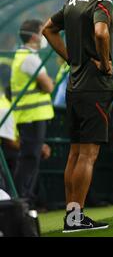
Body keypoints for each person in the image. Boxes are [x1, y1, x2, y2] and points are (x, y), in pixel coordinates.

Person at [42, 0, 113, 232]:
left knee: (75, 154)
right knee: (88, 155)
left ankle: (72, 215)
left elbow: (48, 28)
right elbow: (101, 32)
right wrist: (106, 62)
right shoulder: (102, 1)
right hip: (94, 88)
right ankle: (76, 218)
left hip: (74, 86)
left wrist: (71, 58)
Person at [10, 19, 54, 205]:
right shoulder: (30, 58)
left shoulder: (23, 56)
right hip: (32, 117)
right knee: (30, 159)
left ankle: (24, 199)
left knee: (31, 158)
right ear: (35, 35)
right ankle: (22, 200)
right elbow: (48, 85)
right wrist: (47, 82)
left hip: (31, 117)